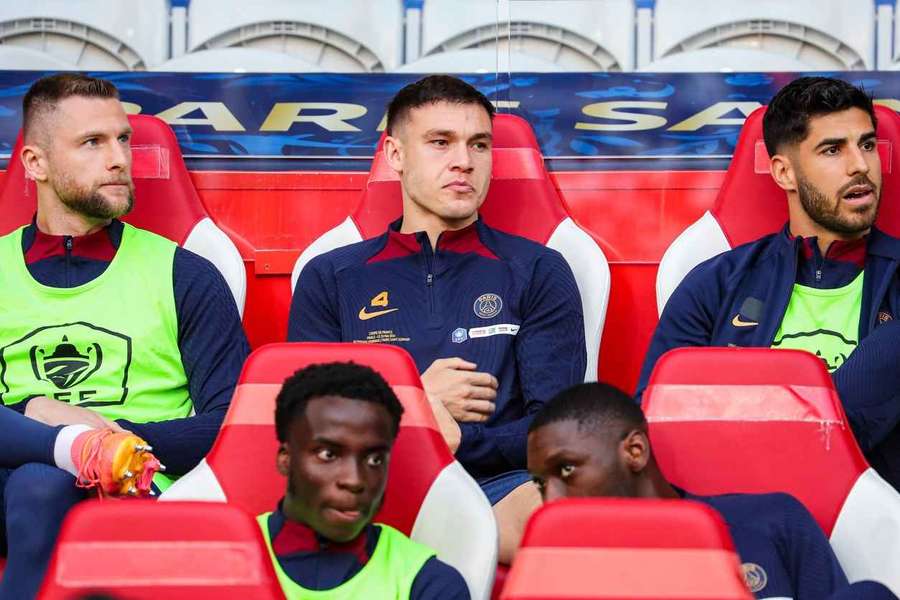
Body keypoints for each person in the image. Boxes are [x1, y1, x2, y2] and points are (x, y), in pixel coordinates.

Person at [288, 74, 586, 561]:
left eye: (480, 144)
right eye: (440, 142)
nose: (464, 161)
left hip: (494, 486)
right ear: (396, 155)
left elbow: (555, 429)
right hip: (367, 484)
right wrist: (413, 403)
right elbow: (306, 424)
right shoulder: (331, 275)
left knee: (565, 514)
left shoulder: (538, 270)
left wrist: (462, 438)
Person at [0, 73, 248, 598]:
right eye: (93, 142)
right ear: (35, 164)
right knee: (36, 477)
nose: (118, 158)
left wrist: (110, 437)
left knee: (40, 481)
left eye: (123, 140)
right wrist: (37, 421)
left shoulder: (186, 273)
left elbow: (234, 424)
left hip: (143, 483)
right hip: (7, 486)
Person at [636, 76, 900, 489]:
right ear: (784, 173)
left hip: (878, 513)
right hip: (743, 504)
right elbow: (656, 422)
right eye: (833, 150)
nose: (861, 166)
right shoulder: (717, 284)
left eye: (866, 144)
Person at [527, 381, 861, 600]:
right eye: (541, 484)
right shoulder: (562, 576)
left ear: (635, 451)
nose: (550, 502)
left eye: (567, 469)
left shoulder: (773, 520)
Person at [258, 361, 469, 599]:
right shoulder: (223, 555)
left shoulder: (427, 583)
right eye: (328, 454)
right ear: (285, 459)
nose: (355, 480)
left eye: (374, 460)